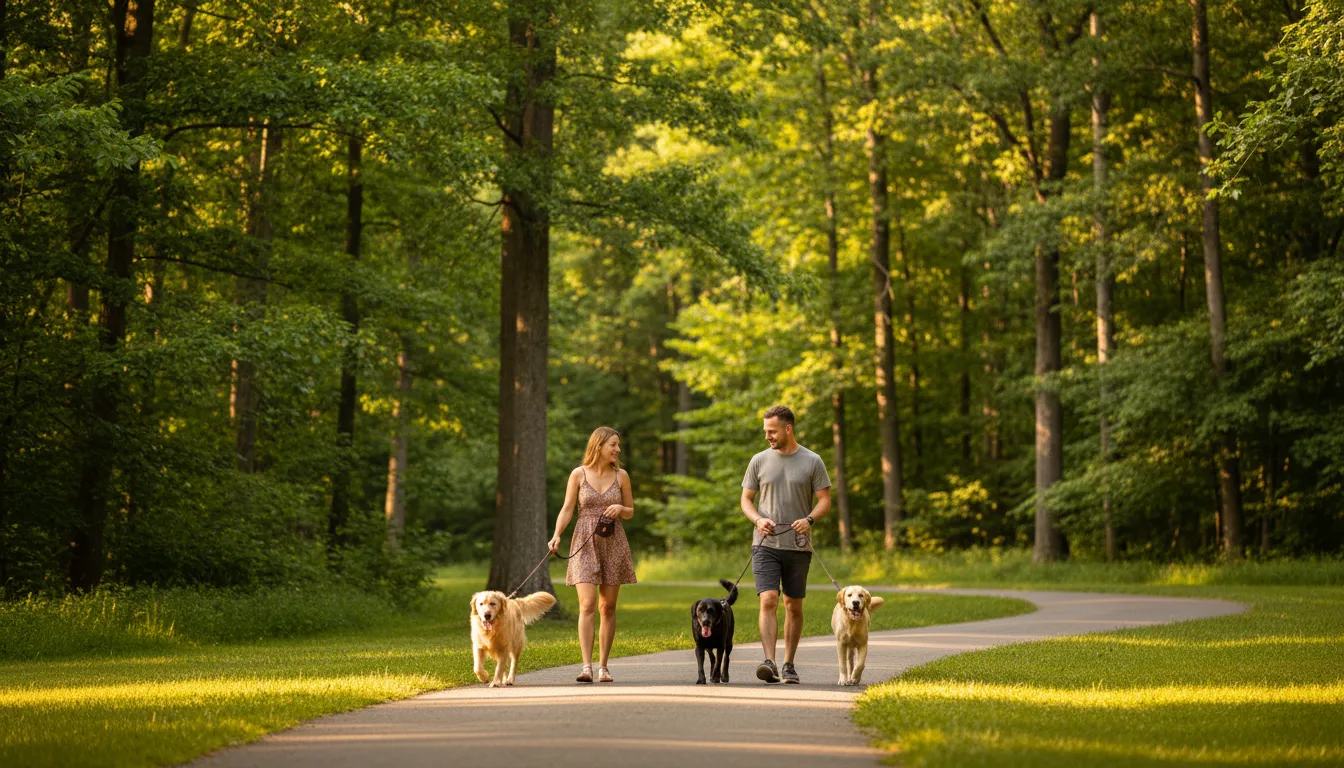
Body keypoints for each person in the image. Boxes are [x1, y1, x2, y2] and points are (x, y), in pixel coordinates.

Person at [740, 405, 832, 684]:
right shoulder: (758, 460)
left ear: (788, 429)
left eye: (772, 431)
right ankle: (769, 662)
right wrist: (758, 520)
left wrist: (809, 520)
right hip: (765, 544)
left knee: (793, 605)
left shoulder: (812, 461)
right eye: (765, 431)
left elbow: (825, 501)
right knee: (768, 599)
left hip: (798, 545)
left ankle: (789, 663)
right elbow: (746, 500)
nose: (767, 436)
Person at [548, 426, 637, 683]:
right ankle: (586, 666)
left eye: (618, 445)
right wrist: (556, 535)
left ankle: (603, 666)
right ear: (599, 446)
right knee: (587, 605)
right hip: (584, 541)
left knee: (607, 607)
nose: (617, 449)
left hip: (613, 542)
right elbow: (566, 509)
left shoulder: (622, 476)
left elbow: (631, 511)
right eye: (613, 445)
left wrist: (621, 508)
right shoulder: (578, 474)